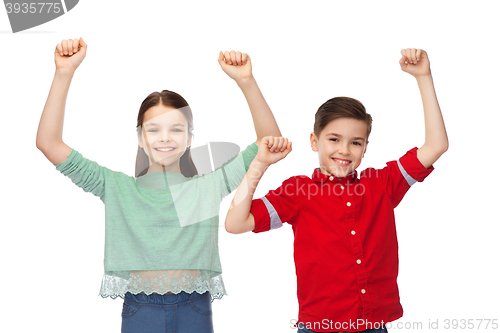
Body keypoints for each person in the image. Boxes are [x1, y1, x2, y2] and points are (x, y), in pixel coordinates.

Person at [36, 38, 283, 333]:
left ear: (189, 138)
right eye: (154, 129)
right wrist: (63, 73)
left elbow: (269, 143)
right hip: (141, 310)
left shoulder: (208, 186)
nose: (165, 138)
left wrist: (246, 81)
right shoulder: (114, 186)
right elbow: (48, 144)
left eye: (176, 129)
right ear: (141, 138)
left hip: (195, 307)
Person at [225, 48, 448, 333]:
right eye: (334, 139)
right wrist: (260, 163)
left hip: (372, 326)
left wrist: (423, 77)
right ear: (314, 141)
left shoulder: (382, 184)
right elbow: (235, 223)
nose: (344, 150)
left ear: (365, 149)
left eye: (355, 142)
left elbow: (436, 145)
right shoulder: (298, 191)